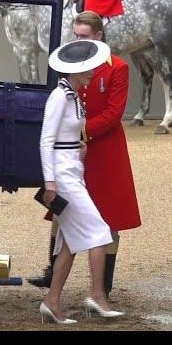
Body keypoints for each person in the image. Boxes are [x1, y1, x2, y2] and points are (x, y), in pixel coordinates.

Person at [28, 11, 141, 299]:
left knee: (109, 217)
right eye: (76, 35)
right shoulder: (70, 61)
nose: (78, 41)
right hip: (73, 152)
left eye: (84, 37)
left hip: (104, 150)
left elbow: (114, 113)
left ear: (99, 37)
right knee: (62, 211)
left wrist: (81, 132)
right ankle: (52, 274)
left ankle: (103, 286)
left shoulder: (117, 67)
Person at [38, 39, 124, 324]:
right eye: (88, 69)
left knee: (68, 244)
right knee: (100, 231)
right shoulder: (61, 97)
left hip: (72, 171)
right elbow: (46, 141)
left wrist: (78, 147)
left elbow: (67, 134)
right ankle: (96, 295)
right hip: (63, 177)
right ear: (74, 72)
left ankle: (52, 302)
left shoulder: (72, 95)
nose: (93, 73)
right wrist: (50, 182)